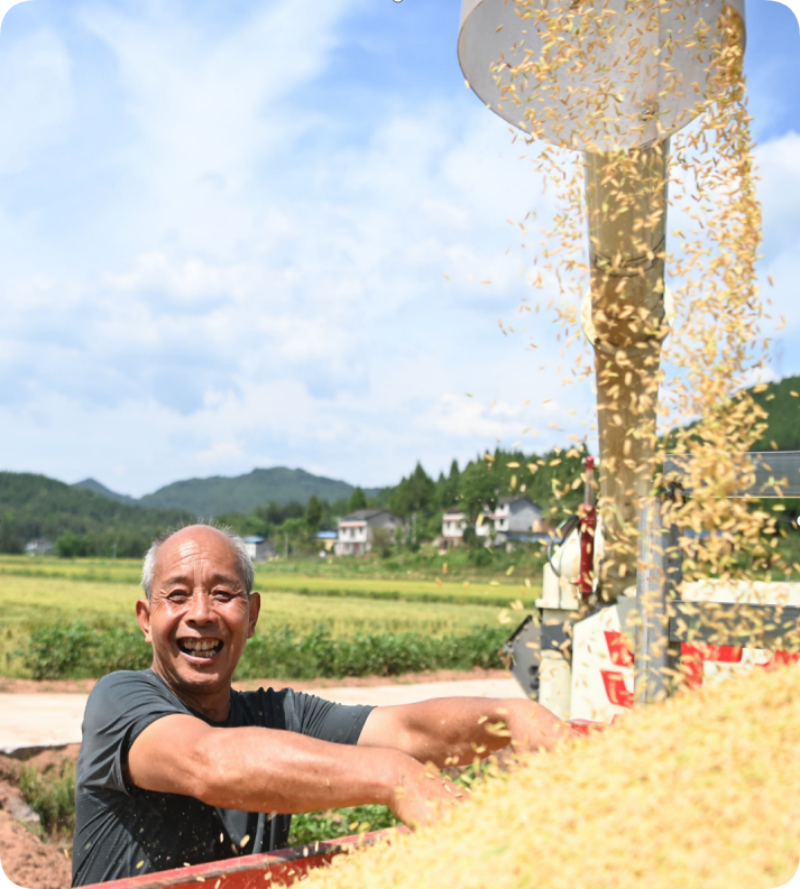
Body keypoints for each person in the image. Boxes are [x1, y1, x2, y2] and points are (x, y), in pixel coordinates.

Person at [72, 525, 575, 886]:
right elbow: (209, 763)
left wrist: (510, 718)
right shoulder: (119, 701)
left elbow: (408, 732)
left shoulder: (281, 718)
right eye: (177, 596)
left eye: (224, 594)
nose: (201, 614)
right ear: (145, 618)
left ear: (252, 616)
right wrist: (396, 779)